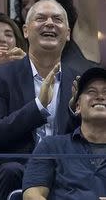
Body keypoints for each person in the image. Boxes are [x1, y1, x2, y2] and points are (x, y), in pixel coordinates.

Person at [0, 0, 79, 200]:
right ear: (26, 31)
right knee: (10, 172)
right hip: (16, 170)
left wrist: (76, 113)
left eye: (57, 19)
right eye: (41, 18)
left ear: (68, 33)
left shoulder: (81, 81)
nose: (49, 23)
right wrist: (38, 107)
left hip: (68, 171)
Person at [23, 67, 106, 199]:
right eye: (91, 91)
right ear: (77, 106)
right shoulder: (51, 146)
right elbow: (31, 195)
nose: (100, 97)